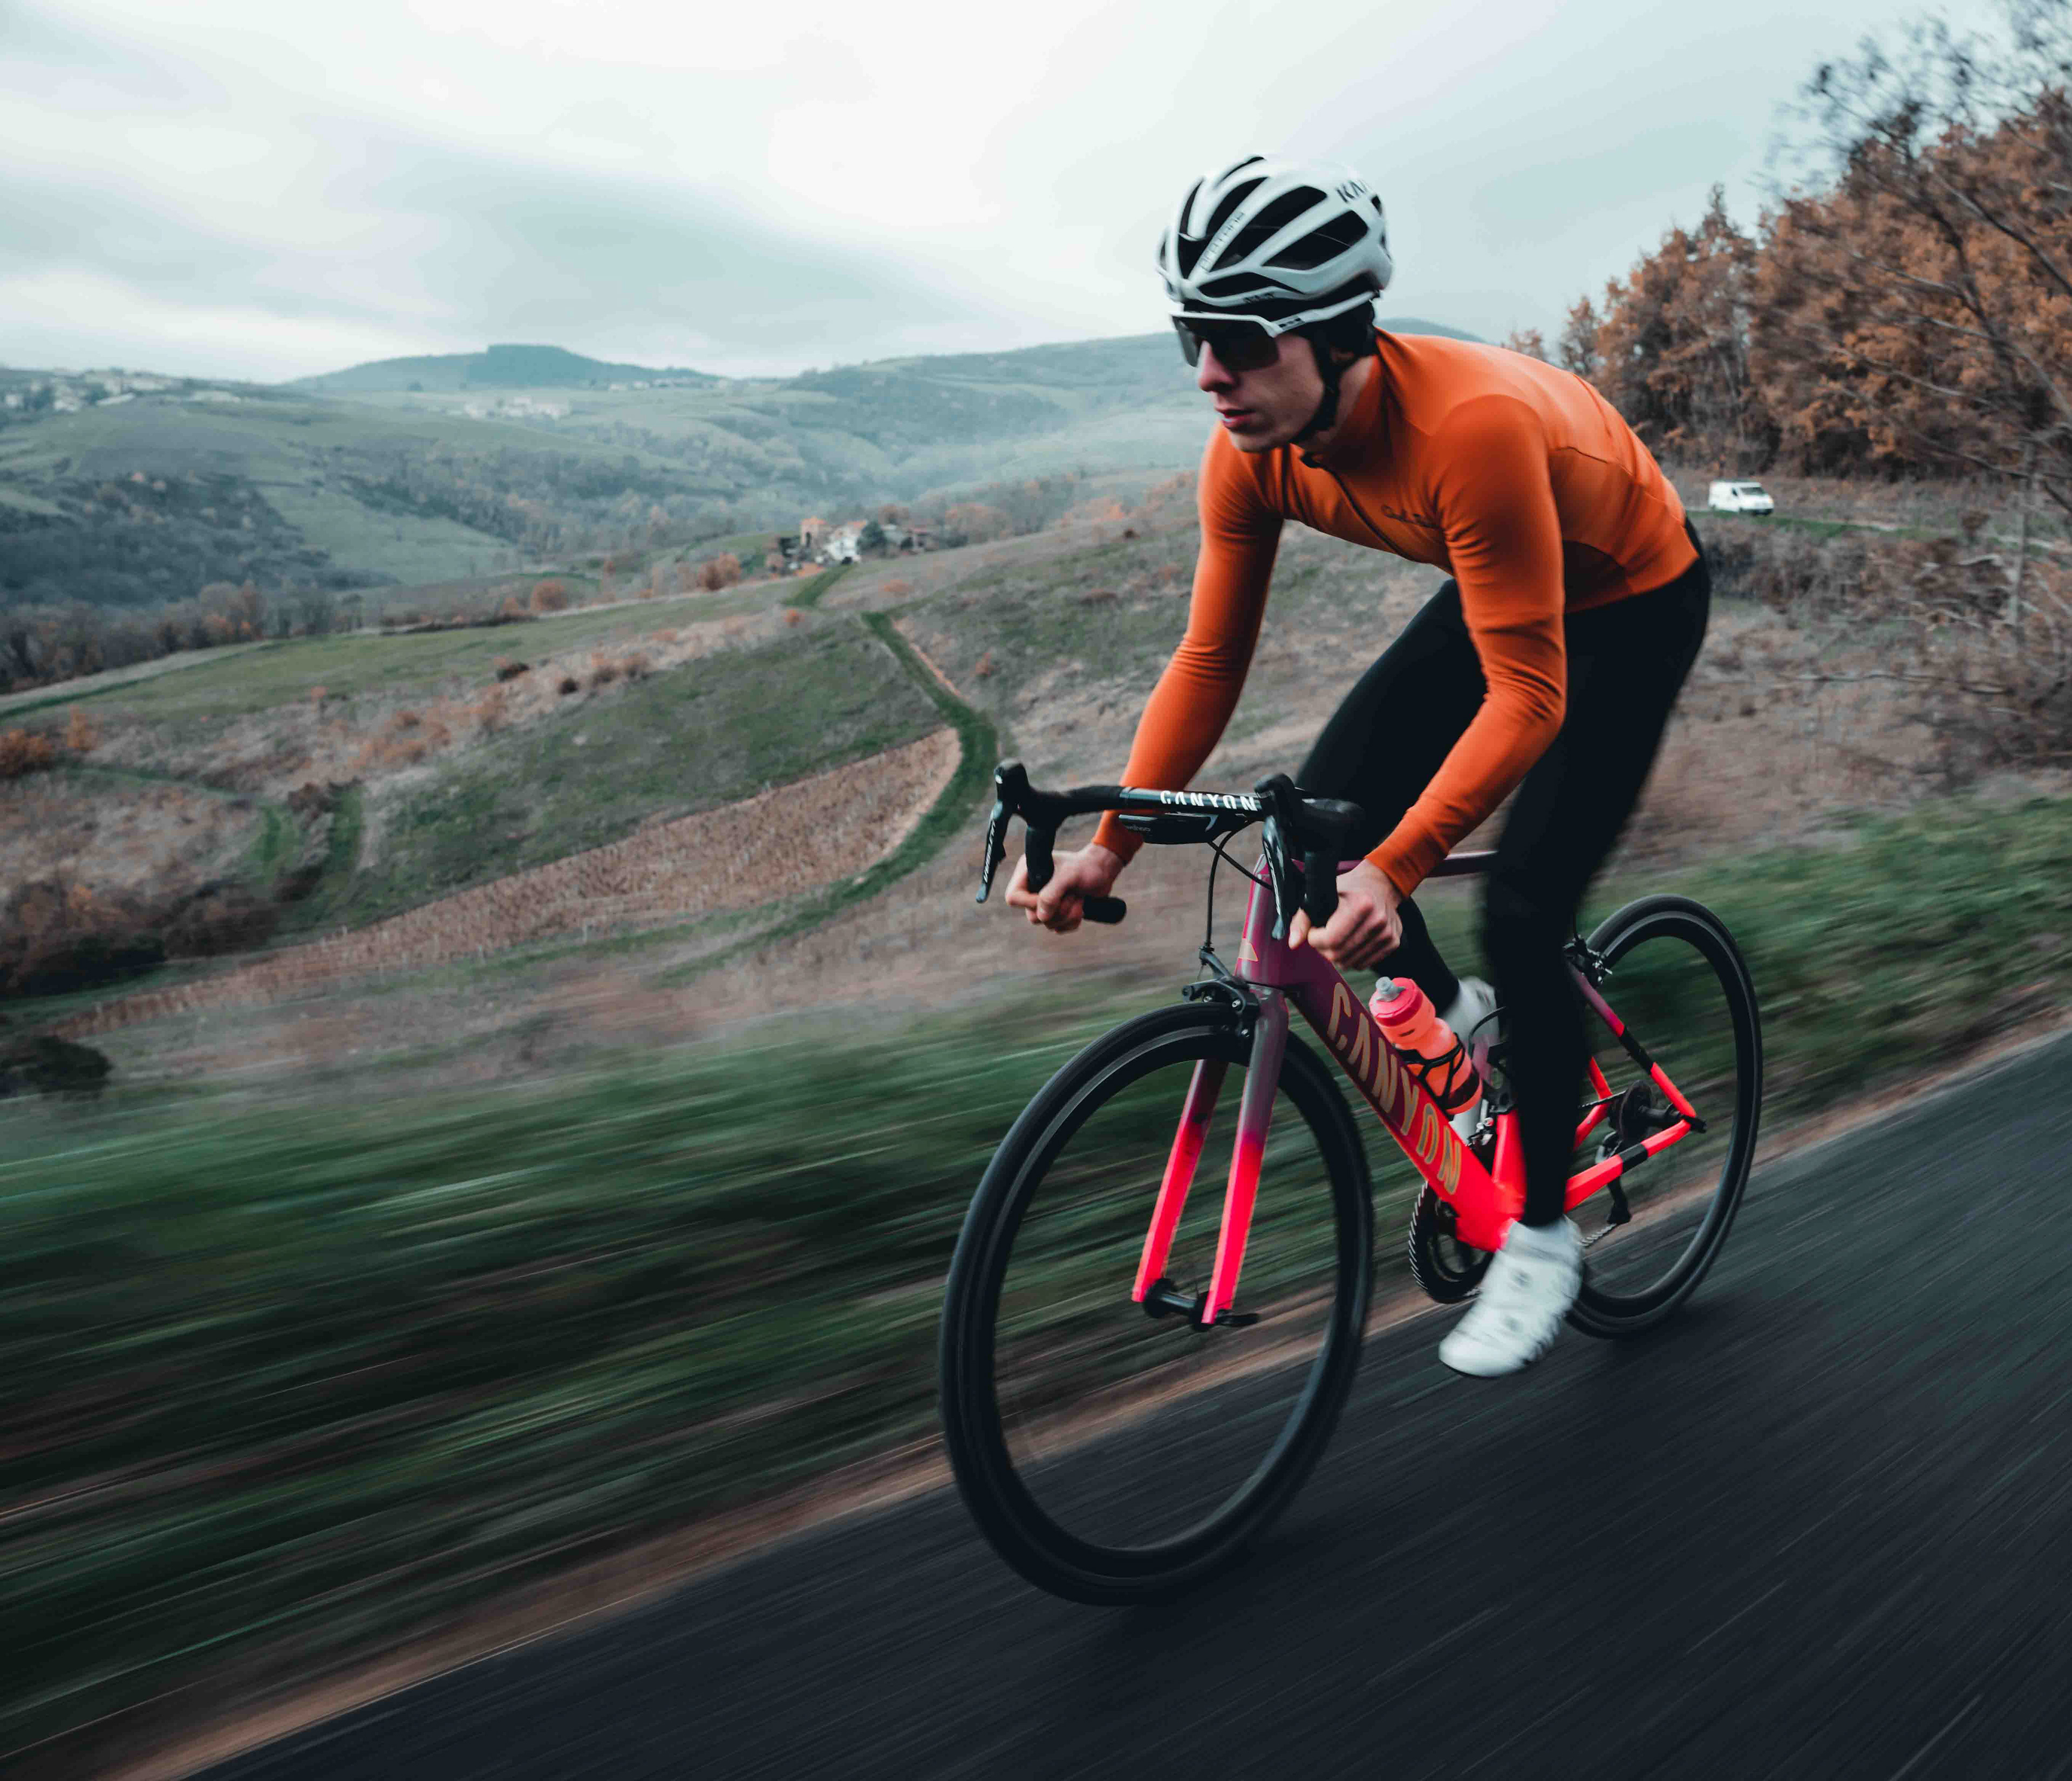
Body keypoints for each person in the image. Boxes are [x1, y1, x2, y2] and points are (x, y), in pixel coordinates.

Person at [1003, 153, 1711, 1377]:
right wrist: (1108, 849)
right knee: (1314, 839)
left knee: (1523, 902)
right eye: (1190, 338)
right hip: (1511, 578)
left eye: (1238, 340)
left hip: (1635, 599)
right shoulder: (1249, 452)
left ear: (1336, 338)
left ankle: (1543, 1235)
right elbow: (1209, 660)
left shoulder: (1467, 431)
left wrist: (1402, 864)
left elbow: (1530, 696)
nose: (1209, 372)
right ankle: (1471, 1025)